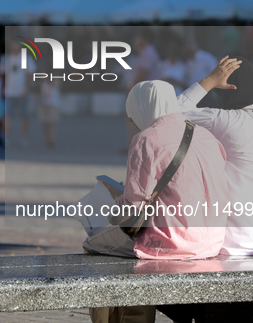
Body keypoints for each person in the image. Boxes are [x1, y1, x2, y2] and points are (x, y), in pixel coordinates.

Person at [86, 80, 230, 323]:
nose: (132, 122)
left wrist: (114, 201)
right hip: (212, 240)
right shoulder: (205, 135)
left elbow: (133, 207)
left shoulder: (146, 139)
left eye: (132, 115)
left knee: (95, 246)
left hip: (172, 244)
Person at [178, 56, 253, 256]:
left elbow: (168, 114)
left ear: (227, 88)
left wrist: (208, 82)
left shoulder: (226, 120)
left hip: (232, 243)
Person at [5, 41, 36, 147]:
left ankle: (23, 137)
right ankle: (7, 137)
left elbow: (30, 74)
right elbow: (4, 75)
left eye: (17, 44)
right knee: (8, 115)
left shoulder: (26, 58)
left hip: (23, 92)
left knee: (24, 116)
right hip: (9, 91)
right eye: (13, 44)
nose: (15, 46)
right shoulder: (7, 59)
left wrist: (27, 89)